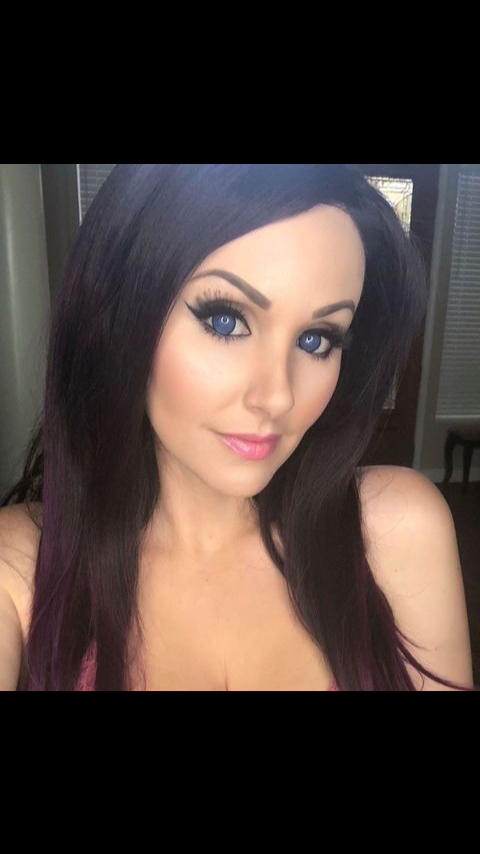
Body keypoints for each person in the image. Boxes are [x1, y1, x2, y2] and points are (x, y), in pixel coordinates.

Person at [1, 164, 475, 691]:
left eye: (317, 339)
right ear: (119, 315)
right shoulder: (18, 570)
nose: (277, 396)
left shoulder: (397, 532)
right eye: (225, 320)